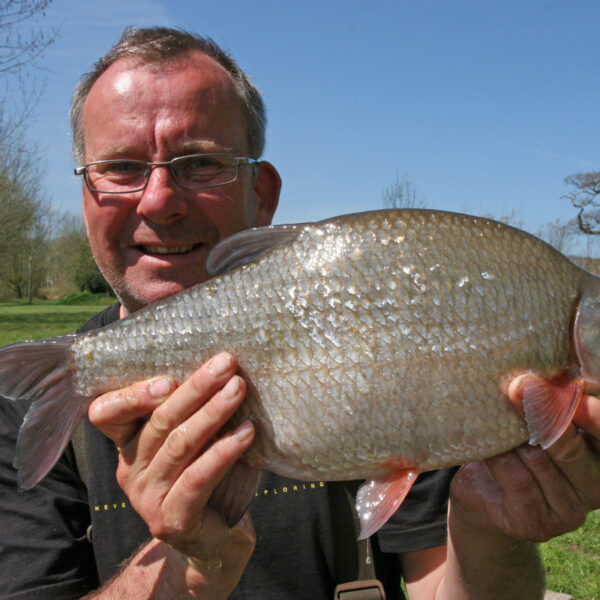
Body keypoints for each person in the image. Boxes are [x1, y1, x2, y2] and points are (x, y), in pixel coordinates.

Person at [0, 25, 599, 599]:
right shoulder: (24, 405)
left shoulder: (407, 354)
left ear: (262, 196)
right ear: (86, 197)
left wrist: (491, 528)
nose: (159, 200)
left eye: (201, 163)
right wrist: (194, 570)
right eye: (122, 168)